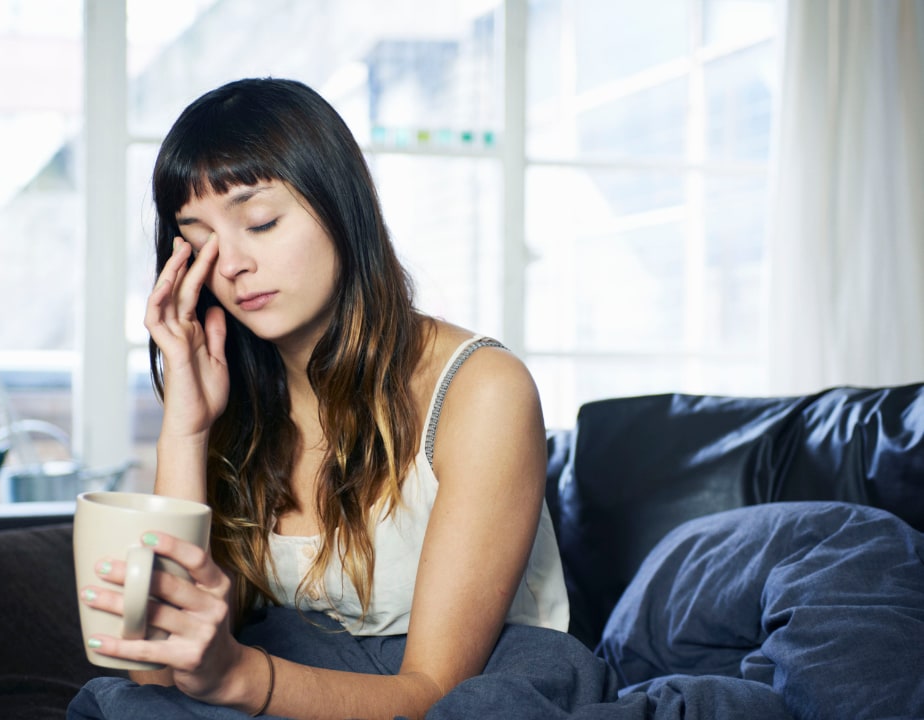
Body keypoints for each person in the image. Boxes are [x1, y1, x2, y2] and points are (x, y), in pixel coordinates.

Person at [68, 77, 568, 720]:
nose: (232, 264)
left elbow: (435, 695)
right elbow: (155, 666)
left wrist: (240, 676)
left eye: (261, 221)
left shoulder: (483, 390)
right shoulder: (236, 403)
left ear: (340, 205)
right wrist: (187, 429)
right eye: (201, 239)